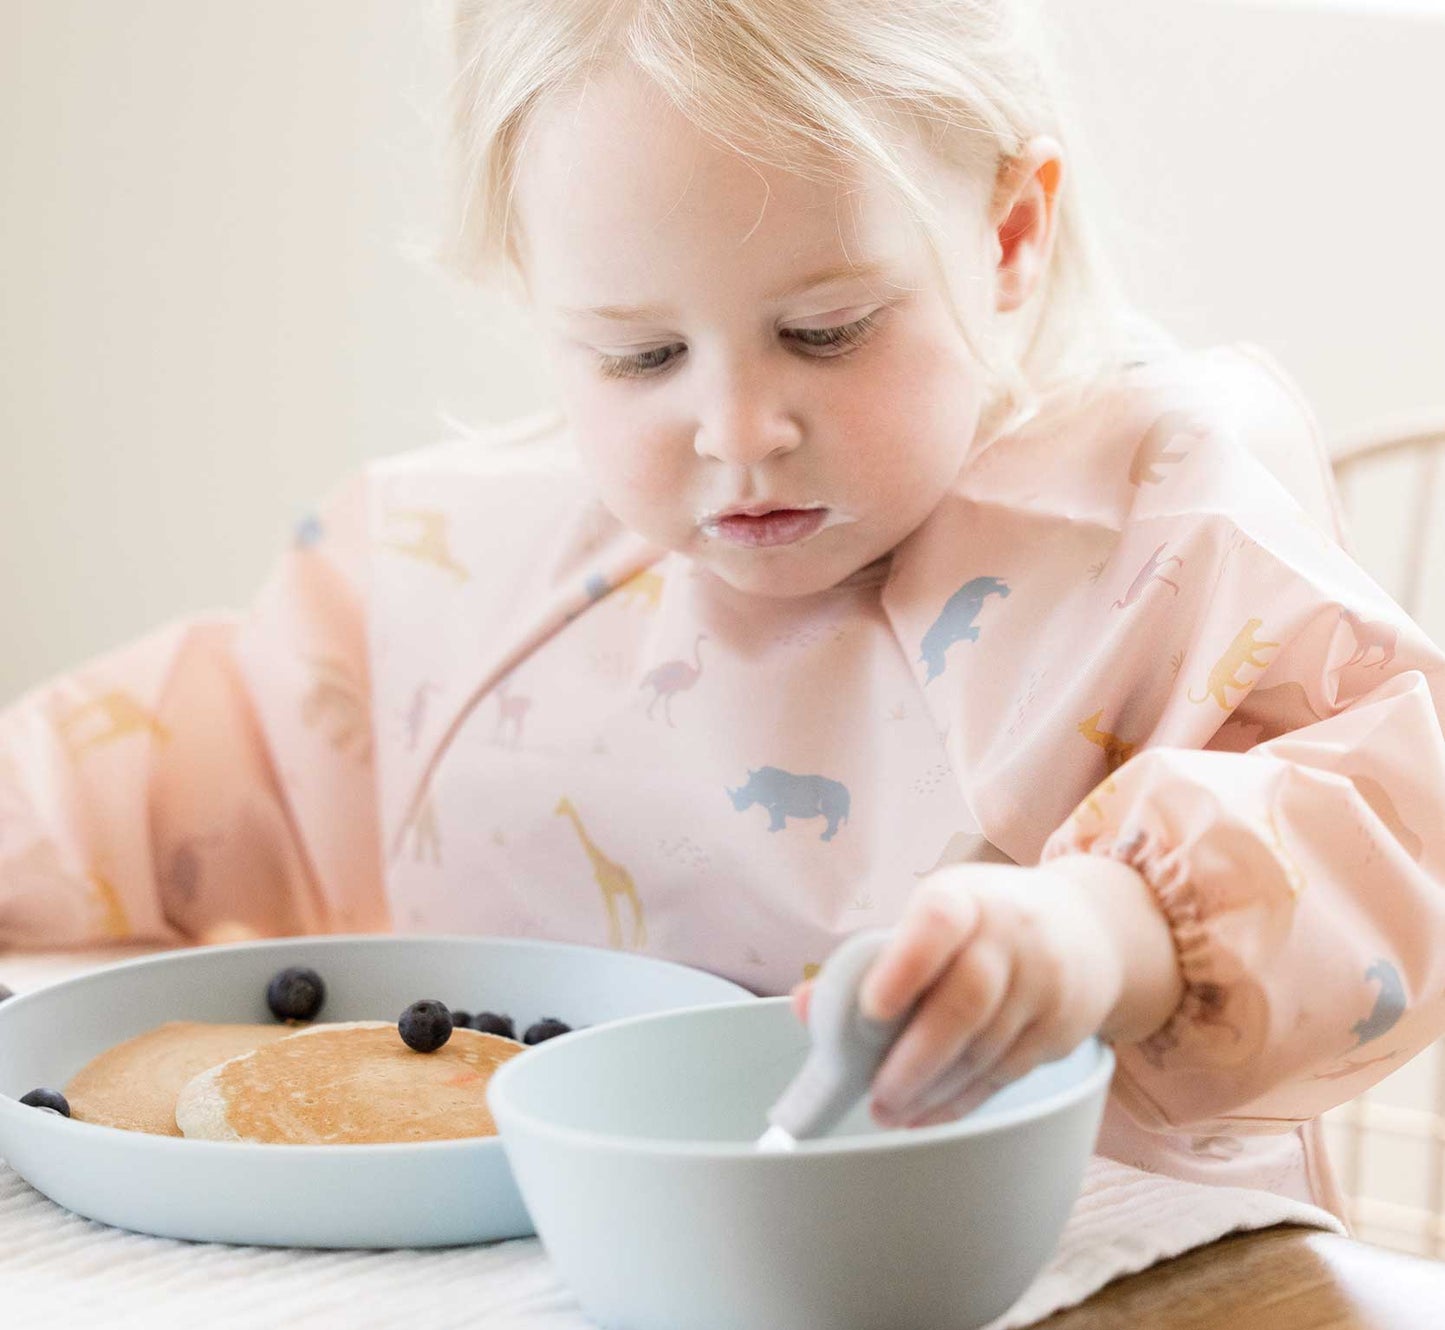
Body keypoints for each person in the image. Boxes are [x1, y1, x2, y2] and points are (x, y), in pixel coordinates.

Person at [3, 0, 1442, 1218]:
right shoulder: (477, 576)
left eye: (823, 331)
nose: (737, 429)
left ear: (1007, 235)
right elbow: (165, 771)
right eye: (637, 356)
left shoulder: (1148, 524)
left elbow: (1391, 824)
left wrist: (1104, 932)